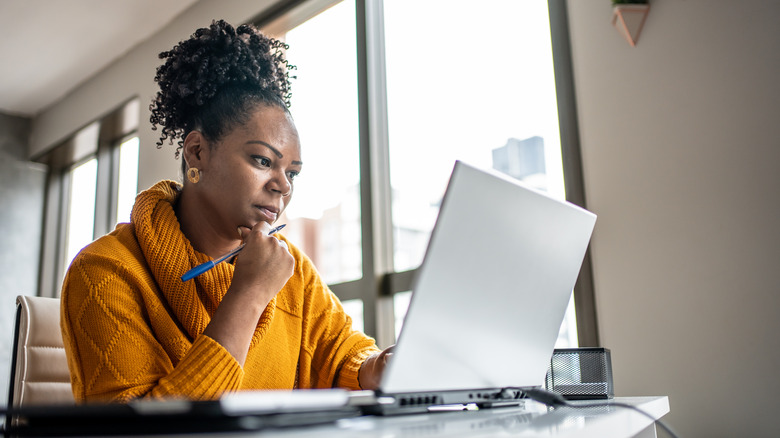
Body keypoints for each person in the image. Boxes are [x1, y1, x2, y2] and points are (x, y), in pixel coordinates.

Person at [60, 19, 392, 403]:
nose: (283, 185)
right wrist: (249, 294)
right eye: (263, 160)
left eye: (293, 173)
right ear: (197, 151)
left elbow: (341, 354)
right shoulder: (105, 271)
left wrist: (375, 366)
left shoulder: (293, 270)